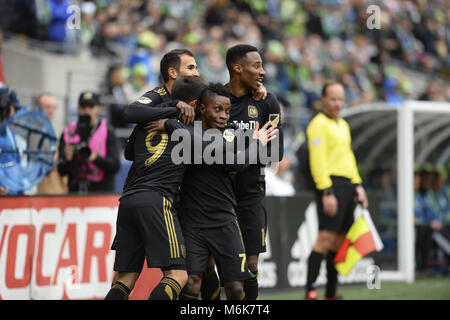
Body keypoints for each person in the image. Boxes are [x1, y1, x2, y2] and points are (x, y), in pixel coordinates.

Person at [145, 81, 277, 300]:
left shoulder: (229, 134)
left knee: (235, 287)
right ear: (202, 109)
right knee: (192, 283)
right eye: (218, 109)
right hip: (192, 221)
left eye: (227, 111)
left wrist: (256, 142)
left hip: (224, 218)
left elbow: (237, 164)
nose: (225, 116)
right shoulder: (188, 131)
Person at [105, 76, 207, 300]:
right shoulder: (189, 126)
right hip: (157, 199)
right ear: (193, 106)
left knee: (125, 279)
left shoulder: (148, 117)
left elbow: (129, 153)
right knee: (177, 275)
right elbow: (208, 148)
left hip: (128, 199)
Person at [223, 44, 284, 299]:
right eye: (256, 66)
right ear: (237, 68)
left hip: (251, 193)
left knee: (251, 264)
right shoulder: (215, 99)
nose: (262, 72)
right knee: (212, 267)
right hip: (218, 194)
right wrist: (253, 144)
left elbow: (276, 153)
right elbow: (209, 152)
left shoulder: (267, 102)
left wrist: (237, 154)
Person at [304, 82, 368, 300]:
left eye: (341, 99)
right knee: (324, 238)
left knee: (339, 242)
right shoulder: (318, 125)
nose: (338, 103)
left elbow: (348, 158)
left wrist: (358, 185)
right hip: (330, 185)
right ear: (323, 100)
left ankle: (330, 293)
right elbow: (318, 160)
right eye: (333, 99)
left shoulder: (343, 125)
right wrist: (326, 191)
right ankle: (310, 291)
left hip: (347, 186)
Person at [57, 91, 120, 194]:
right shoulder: (68, 132)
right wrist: (66, 159)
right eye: (83, 106)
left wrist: (95, 158)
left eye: (90, 106)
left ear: (98, 108)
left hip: (101, 192)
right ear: (78, 108)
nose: (86, 110)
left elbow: (115, 166)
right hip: (75, 190)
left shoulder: (107, 131)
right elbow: (61, 170)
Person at [36, 92, 68, 194]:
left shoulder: (49, 128)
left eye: (54, 107)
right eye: (47, 107)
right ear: (38, 108)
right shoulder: (33, 129)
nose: (51, 111)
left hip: (54, 184)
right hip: (42, 186)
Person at [0, 86, 21, 196]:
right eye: (14, 109)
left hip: (14, 195)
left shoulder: (10, 132)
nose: (16, 114)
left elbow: (16, 162)